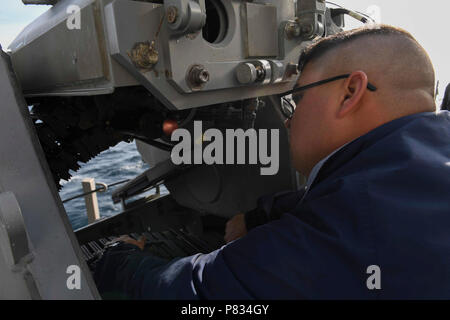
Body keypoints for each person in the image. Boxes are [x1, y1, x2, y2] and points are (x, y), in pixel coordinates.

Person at [94, 24, 450, 299]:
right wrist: (261, 215)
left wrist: (120, 261)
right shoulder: (419, 165)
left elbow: (194, 293)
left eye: (296, 99)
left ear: (350, 92)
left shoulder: (340, 235)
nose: (288, 119)